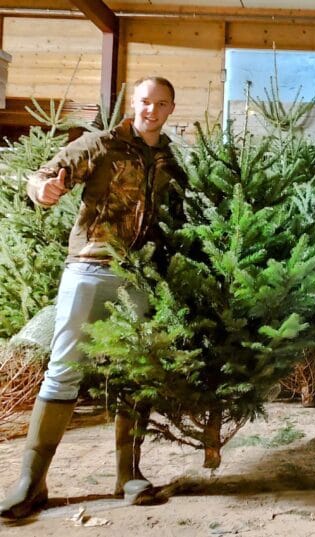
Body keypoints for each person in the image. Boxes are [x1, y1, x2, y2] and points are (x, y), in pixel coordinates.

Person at [0, 76, 185, 519]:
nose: (152, 111)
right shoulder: (100, 144)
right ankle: (30, 482)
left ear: (171, 109)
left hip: (138, 277)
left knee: (134, 370)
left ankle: (129, 474)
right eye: (145, 101)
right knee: (64, 368)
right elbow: (45, 176)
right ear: (134, 104)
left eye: (161, 104)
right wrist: (41, 190)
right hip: (89, 267)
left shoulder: (168, 158)